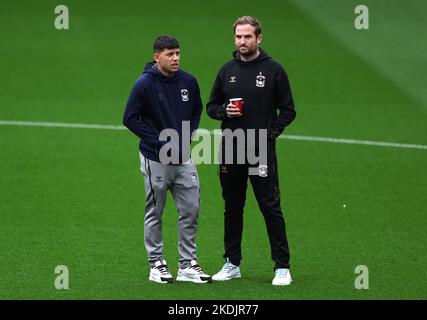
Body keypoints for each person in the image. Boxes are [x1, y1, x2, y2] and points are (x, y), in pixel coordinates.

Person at [206, 16, 297, 285]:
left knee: (270, 207)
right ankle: (232, 263)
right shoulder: (226, 71)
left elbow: (289, 110)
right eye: (238, 36)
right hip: (231, 150)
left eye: (247, 36)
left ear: (259, 38)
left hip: (260, 151)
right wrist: (225, 111)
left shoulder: (273, 70)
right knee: (232, 207)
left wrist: (270, 133)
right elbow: (211, 107)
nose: (242, 41)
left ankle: (282, 267)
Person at [123, 35, 211, 284]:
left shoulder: (188, 81)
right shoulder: (144, 84)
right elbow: (130, 117)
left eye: (178, 53)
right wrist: (159, 142)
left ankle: (187, 265)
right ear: (156, 56)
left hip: (183, 157)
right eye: (170, 54)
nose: (175, 58)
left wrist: (188, 135)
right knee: (155, 210)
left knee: (191, 209)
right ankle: (156, 264)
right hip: (156, 158)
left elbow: (196, 109)